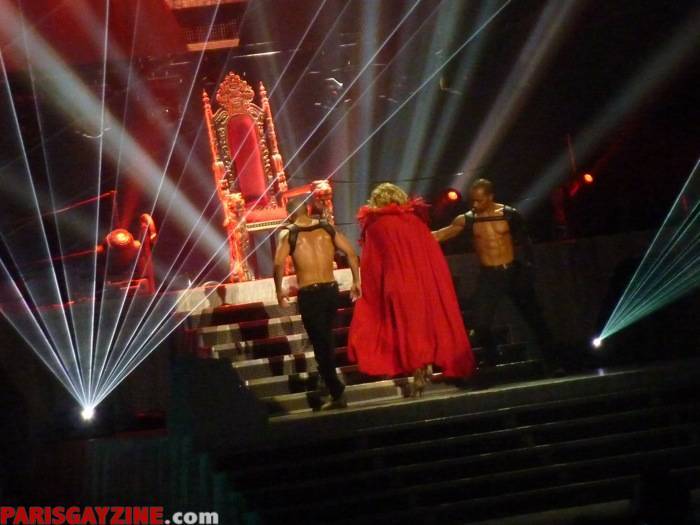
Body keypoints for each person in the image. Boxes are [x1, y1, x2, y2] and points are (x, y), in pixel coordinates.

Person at [348, 183, 475, 396]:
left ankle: (417, 368)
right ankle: (425, 364)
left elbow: (372, 264)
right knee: (423, 325)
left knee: (407, 327)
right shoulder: (415, 222)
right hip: (423, 281)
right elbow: (431, 252)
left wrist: (370, 292)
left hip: (397, 284)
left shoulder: (375, 227)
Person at [433, 178, 561, 374]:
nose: (475, 205)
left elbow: (526, 241)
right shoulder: (467, 219)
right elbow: (441, 234)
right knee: (480, 323)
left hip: (513, 272)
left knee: (536, 319)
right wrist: (410, 233)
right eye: (472, 201)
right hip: (489, 275)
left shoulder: (509, 214)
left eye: (479, 200)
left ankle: (554, 362)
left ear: (490, 197)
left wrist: (529, 267)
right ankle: (492, 355)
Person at [274, 197, 360, 410]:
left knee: (321, 343)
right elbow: (351, 253)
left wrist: (279, 290)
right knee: (325, 339)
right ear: (307, 210)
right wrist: (356, 281)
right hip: (331, 291)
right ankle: (325, 379)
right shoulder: (327, 228)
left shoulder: (288, 233)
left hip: (310, 294)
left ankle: (337, 392)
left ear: (290, 215)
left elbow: (278, 265)